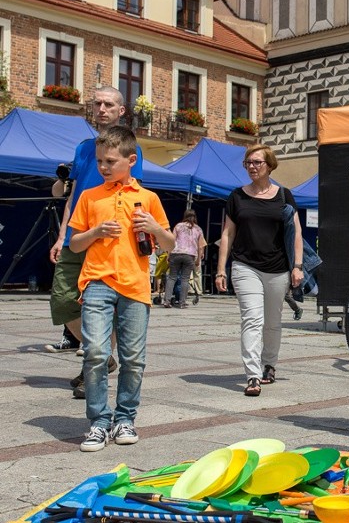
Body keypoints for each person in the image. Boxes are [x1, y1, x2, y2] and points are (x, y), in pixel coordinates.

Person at [68, 126, 174, 452]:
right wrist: (96, 231)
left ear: (131, 160)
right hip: (98, 280)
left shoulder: (149, 199)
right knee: (96, 353)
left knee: (133, 358)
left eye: (110, 161)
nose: (103, 167)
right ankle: (99, 422)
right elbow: (74, 244)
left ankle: (125, 417)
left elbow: (170, 244)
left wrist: (155, 228)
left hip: (135, 285)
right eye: (100, 160)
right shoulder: (90, 197)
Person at [47, 86, 142, 397]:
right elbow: (72, 195)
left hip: (109, 236)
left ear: (121, 111)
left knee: (104, 307)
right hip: (78, 233)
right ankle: (101, 356)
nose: (102, 108)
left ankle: (94, 369)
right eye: (97, 103)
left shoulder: (131, 150)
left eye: (109, 104)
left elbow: (130, 191)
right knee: (62, 300)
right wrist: (63, 235)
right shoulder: (84, 148)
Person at [215, 145, 303, 397]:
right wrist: (221, 269)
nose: (252, 167)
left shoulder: (284, 195)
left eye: (257, 162)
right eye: (248, 163)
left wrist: (297, 266)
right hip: (245, 266)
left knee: (272, 322)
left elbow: (296, 232)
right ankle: (252, 375)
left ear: (270, 165)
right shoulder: (237, 196)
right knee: (252, 319)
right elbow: (227, 233)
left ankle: (269, 365)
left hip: (277, 268)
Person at [162, 209, 205, 309]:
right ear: (195, 217)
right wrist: (198, 259)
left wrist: (168, 255)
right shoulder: (198, 229)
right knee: (185, 279)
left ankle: (167, 301)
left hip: (176, 253)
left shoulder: (178, 226)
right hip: (190, 256)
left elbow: (172, 241)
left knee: (172, 277)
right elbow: (201, 246)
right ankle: (182, 302)